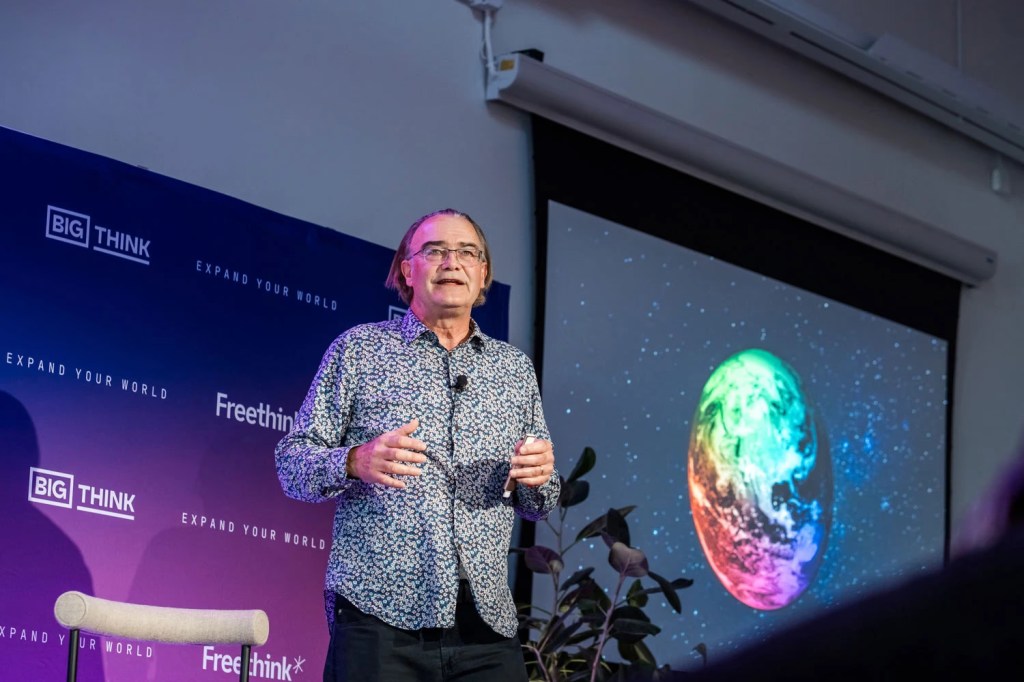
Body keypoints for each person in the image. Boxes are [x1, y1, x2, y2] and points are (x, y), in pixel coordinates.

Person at [275, 208, 560, 682]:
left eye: (468, 252)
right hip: (379, 619)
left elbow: (539, 502)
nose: (453, 261)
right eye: (435, 251)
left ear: (483, 272)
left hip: (485, 628)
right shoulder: (360, 350)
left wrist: (541, 477)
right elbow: (291, 463)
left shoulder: (515, 371)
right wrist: (353, 460)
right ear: (408, 270)